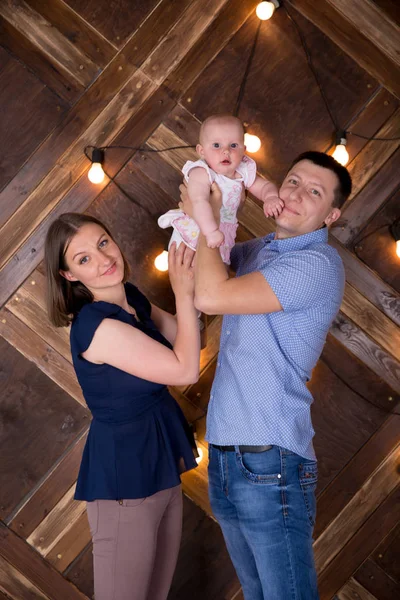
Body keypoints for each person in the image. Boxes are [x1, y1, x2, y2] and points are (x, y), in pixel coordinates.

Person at [180, 151, 352, 600]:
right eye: (292, 181)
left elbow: (211, 295)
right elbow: (198, 272)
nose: (295, 194)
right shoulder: (258, 251)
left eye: (314, 192)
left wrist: (206, 213)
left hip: (269, 460)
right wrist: (207, 206)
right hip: (225, 454)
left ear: (331, 214)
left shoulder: (317, 264)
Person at [44, 213, 200, 600]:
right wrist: (182, 291)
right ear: (68, 276)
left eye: (102, 243)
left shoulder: (130, 297)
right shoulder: (97, 327)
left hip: (159, 460)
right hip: (123, 476)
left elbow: (185, 334)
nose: (102, 259)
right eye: (82, 259)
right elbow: (186, 369)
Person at [158, 114, 283, 264]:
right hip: (196, 231)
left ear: (244, 149)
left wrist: (270, 197)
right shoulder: (202, 172)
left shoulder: (243, 171)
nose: (226, 151)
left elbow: (264, 186)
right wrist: (210, 231)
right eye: (216, 145)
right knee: (190, 268)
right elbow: (199, 201)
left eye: (233, 145)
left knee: (215, 275)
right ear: (202, 151)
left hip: (223, 235)